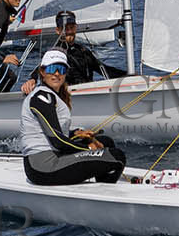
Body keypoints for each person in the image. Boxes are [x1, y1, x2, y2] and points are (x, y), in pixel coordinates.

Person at [21, 49, 127, 185]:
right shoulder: (42, 97)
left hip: (54, 156)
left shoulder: (52, 96)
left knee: (106, 142)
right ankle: (103, 194)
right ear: (42, 72)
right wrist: (88, 149)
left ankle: (100, 184)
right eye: (52, 68)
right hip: (42, 167)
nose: (57, 73)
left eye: (61, 69)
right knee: (117, 156)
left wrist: (75, 133)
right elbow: (57, 140)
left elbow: (53, 132)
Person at [27, 11, 127, 88]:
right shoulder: (54, 53)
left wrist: (127, 76)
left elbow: (104, 69)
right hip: (67, 96)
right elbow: (41, 69)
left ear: (76, 28)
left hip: (86, 93)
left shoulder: (83, 51)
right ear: (58, 31)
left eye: (72, 27)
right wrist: (32, 80)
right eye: (66, 28)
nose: (70, 32)